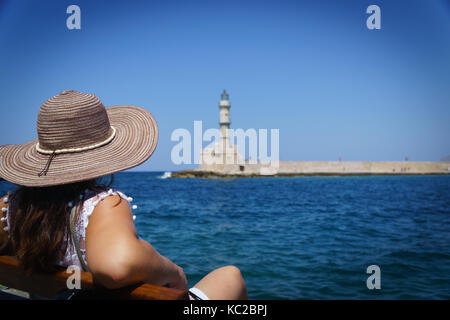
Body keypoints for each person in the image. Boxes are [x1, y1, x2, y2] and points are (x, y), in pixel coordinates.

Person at [0, 90, 247, 300]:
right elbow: (116, 267)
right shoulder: (101, 205)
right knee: (230, 276)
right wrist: (174, 272)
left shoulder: (11, 207)